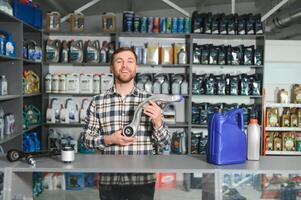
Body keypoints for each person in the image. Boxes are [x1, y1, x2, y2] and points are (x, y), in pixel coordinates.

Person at [83, 47, 171, 200]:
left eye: (130, 61)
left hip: (142, 181)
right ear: (111, 67)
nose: (125, 66)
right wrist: (110, 139)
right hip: (109, 180)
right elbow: (86, 141)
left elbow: (165, 142)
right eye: (119, 61)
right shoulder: (98, 102)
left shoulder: (150, 101)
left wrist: (158, 122)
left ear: (136, 67)